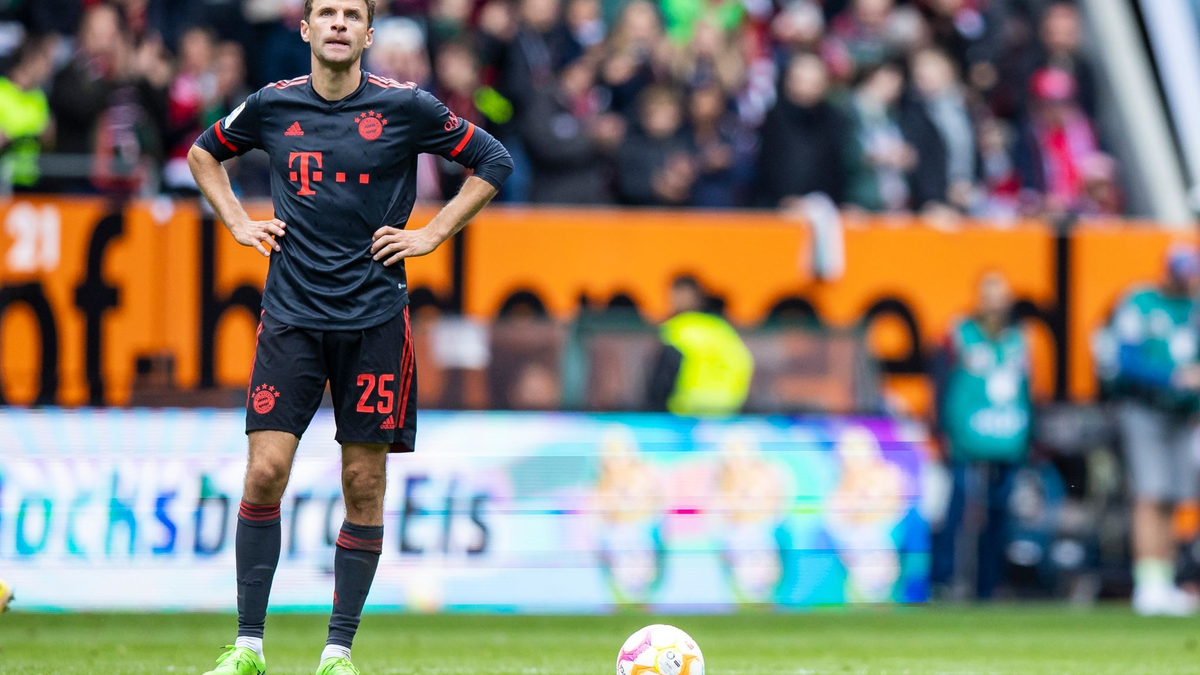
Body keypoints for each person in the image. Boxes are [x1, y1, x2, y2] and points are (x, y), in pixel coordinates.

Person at [187, 1, 513, 674]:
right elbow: (204, 153)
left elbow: (492, 158)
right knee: (266, 470)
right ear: (306, 30)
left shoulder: (406, 107)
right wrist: (238, 222)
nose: (338, 22)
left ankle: (338, 652)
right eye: (326, 12)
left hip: (374, 321)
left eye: (352, 14)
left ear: (368, 32)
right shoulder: (273, 104)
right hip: (291, 318)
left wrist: (431, 233)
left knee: (362, 483)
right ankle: (249, 644)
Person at [1096, 246, 1200, 616]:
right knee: (1151, 493)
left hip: (1182, 415)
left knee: (1173, 498)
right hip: (1144, 409)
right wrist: (1171, 378)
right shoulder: (1140, 302)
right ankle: (1148, 582)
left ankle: (1165, 578)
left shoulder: (1194, 308)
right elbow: (1123, 360)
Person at [930, 272, 1032, 600]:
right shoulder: (959, 333)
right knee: (958, 507)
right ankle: (944, 579)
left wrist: (1030, 430)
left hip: (1006, 434)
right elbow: (941, 382)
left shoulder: (1019, 339)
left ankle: (988, 584)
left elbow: (1028, 390)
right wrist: (942, 427)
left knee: (1000, 512)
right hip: (966, 435)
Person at [646, 275, 754, 416]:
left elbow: (662, 381)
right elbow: (745, 364)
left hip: (685, 419)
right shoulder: (723, 328)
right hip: (727, 416)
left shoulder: (677, 329)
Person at [0, 34, 56, 191]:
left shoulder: (38, 97)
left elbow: (48, 141)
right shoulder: (2, 90)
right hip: (4, 181)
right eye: (46, 62)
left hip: (29, 181)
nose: (49, 69)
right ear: (32, 60)